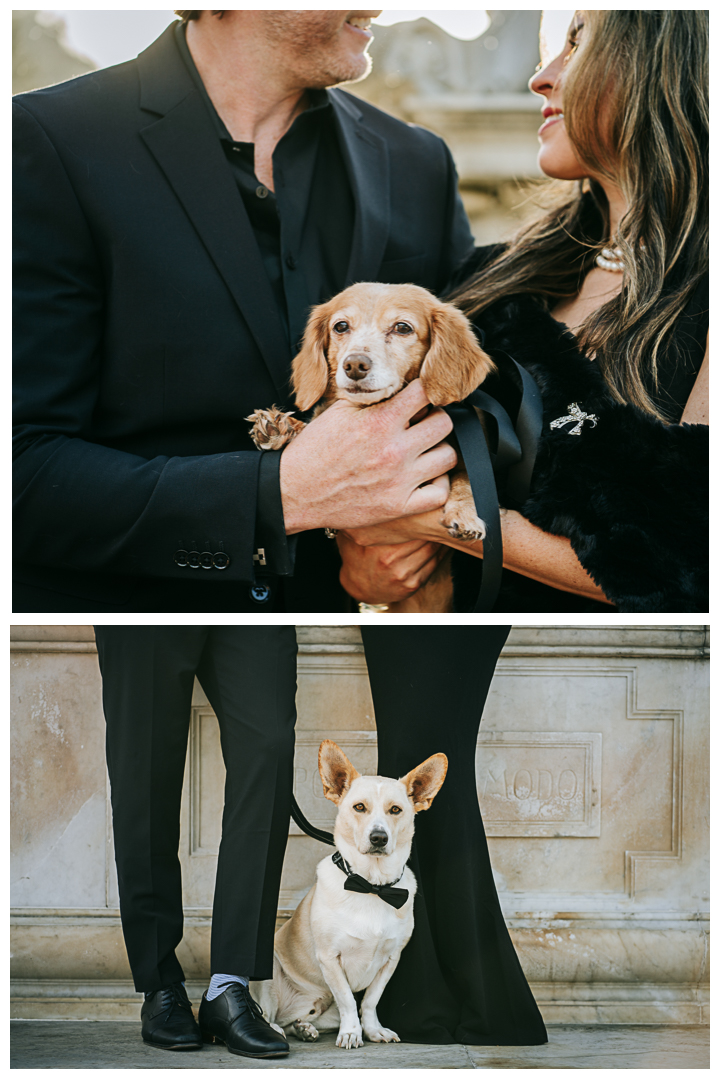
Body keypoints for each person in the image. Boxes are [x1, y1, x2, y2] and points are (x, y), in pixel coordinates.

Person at [13, 9, 465, 614]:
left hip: (351, 660)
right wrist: (277, 498)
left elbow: (471, 398)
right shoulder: (44, 138)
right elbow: (20, 466)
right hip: (113, 651)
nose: (381, 8)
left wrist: (416, 550)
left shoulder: (418, 162)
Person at [337, 10, 709, 613]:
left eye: (577, 44)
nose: (541, 77)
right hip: (452, 676)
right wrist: (369, 565)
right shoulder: (484, 282)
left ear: (668, 67)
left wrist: (440, 517)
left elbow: (690, 559)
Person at [94, 625, 298, 1056]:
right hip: (141, 591)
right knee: (142, 769)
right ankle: (160, 984)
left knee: (269, 745)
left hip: (245, 586)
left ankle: (230, 985)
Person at [363, 626, 547, 1046]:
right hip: (400, 605)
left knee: (433, 772)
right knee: (416, 769)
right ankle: (437, 996)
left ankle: (439, 998)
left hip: (461, 594)